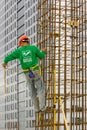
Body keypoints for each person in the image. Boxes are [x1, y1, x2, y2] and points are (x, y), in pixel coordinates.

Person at [2, 35, 46, 112]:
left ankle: (36, 109)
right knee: (40, 89)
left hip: (27, 73)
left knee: (32, 91)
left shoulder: (19, 51)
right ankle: (42, 107)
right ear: (28, 41)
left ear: (22, 43)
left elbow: (9, 57)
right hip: (35, 71)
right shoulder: (33, 48)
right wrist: (43, 52)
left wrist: (5, 62)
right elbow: (42, 56)